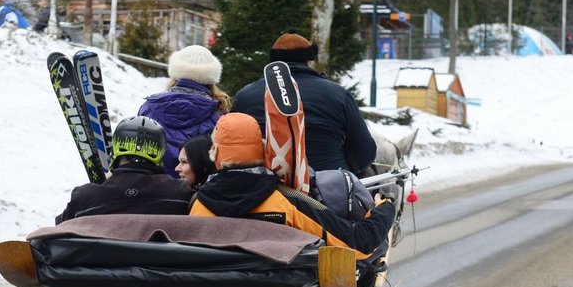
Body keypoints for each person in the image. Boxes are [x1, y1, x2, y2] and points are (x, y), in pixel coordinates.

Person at [189, 113, 396, 259]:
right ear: (262, 151)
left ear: (215, 154)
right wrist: (384, 207)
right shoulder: (288, 201)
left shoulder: (197, 205)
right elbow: (358, 244)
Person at [231, 33, 376, 176]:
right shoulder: (338, 94)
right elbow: (364, 155)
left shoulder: (244, 96)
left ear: (273, 61)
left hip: (264, 186)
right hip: (330, 187)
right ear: (308, 61)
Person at [56, 116, 194, 223]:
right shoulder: (182, 194)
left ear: (116, 148)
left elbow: (59, 230)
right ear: (160, 152)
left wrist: (101, 186)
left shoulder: (85, 197)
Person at [137, 45, 231, 179]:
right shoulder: (218, 116)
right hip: (197, 192)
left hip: (154, 189)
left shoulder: (148, 108)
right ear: (211, 77)